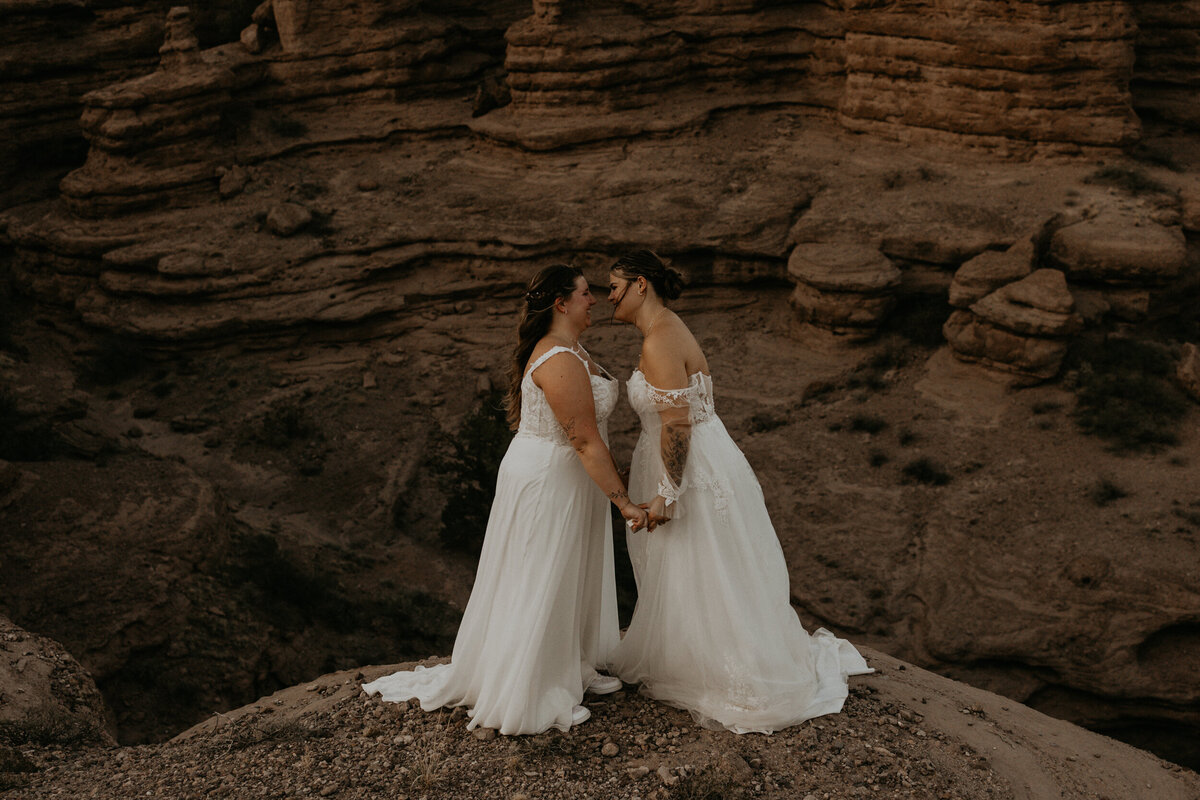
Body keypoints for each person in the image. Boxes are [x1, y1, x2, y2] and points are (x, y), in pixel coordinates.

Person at [363, 264, 649, 734]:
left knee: (567, 569)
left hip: (568, 476)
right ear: (560, 303)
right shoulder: (558, 358)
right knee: (540, 571)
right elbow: (582, 439)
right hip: (548, 477)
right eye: (584, 293)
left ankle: (570, 664)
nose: (593, 299)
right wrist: (624, 502)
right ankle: (530, 687)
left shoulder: (572, 349)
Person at [605, 250, 872, 734]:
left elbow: (677, 425)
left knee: (703, 561)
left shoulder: (660, 340)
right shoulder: (666, 328)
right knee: (705, 563)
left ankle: (725, 668)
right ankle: (692, 653)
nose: (609, 297)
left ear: (640, 285)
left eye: (614, 287)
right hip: (701, 458)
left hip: (688, 469)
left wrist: (667, 493)